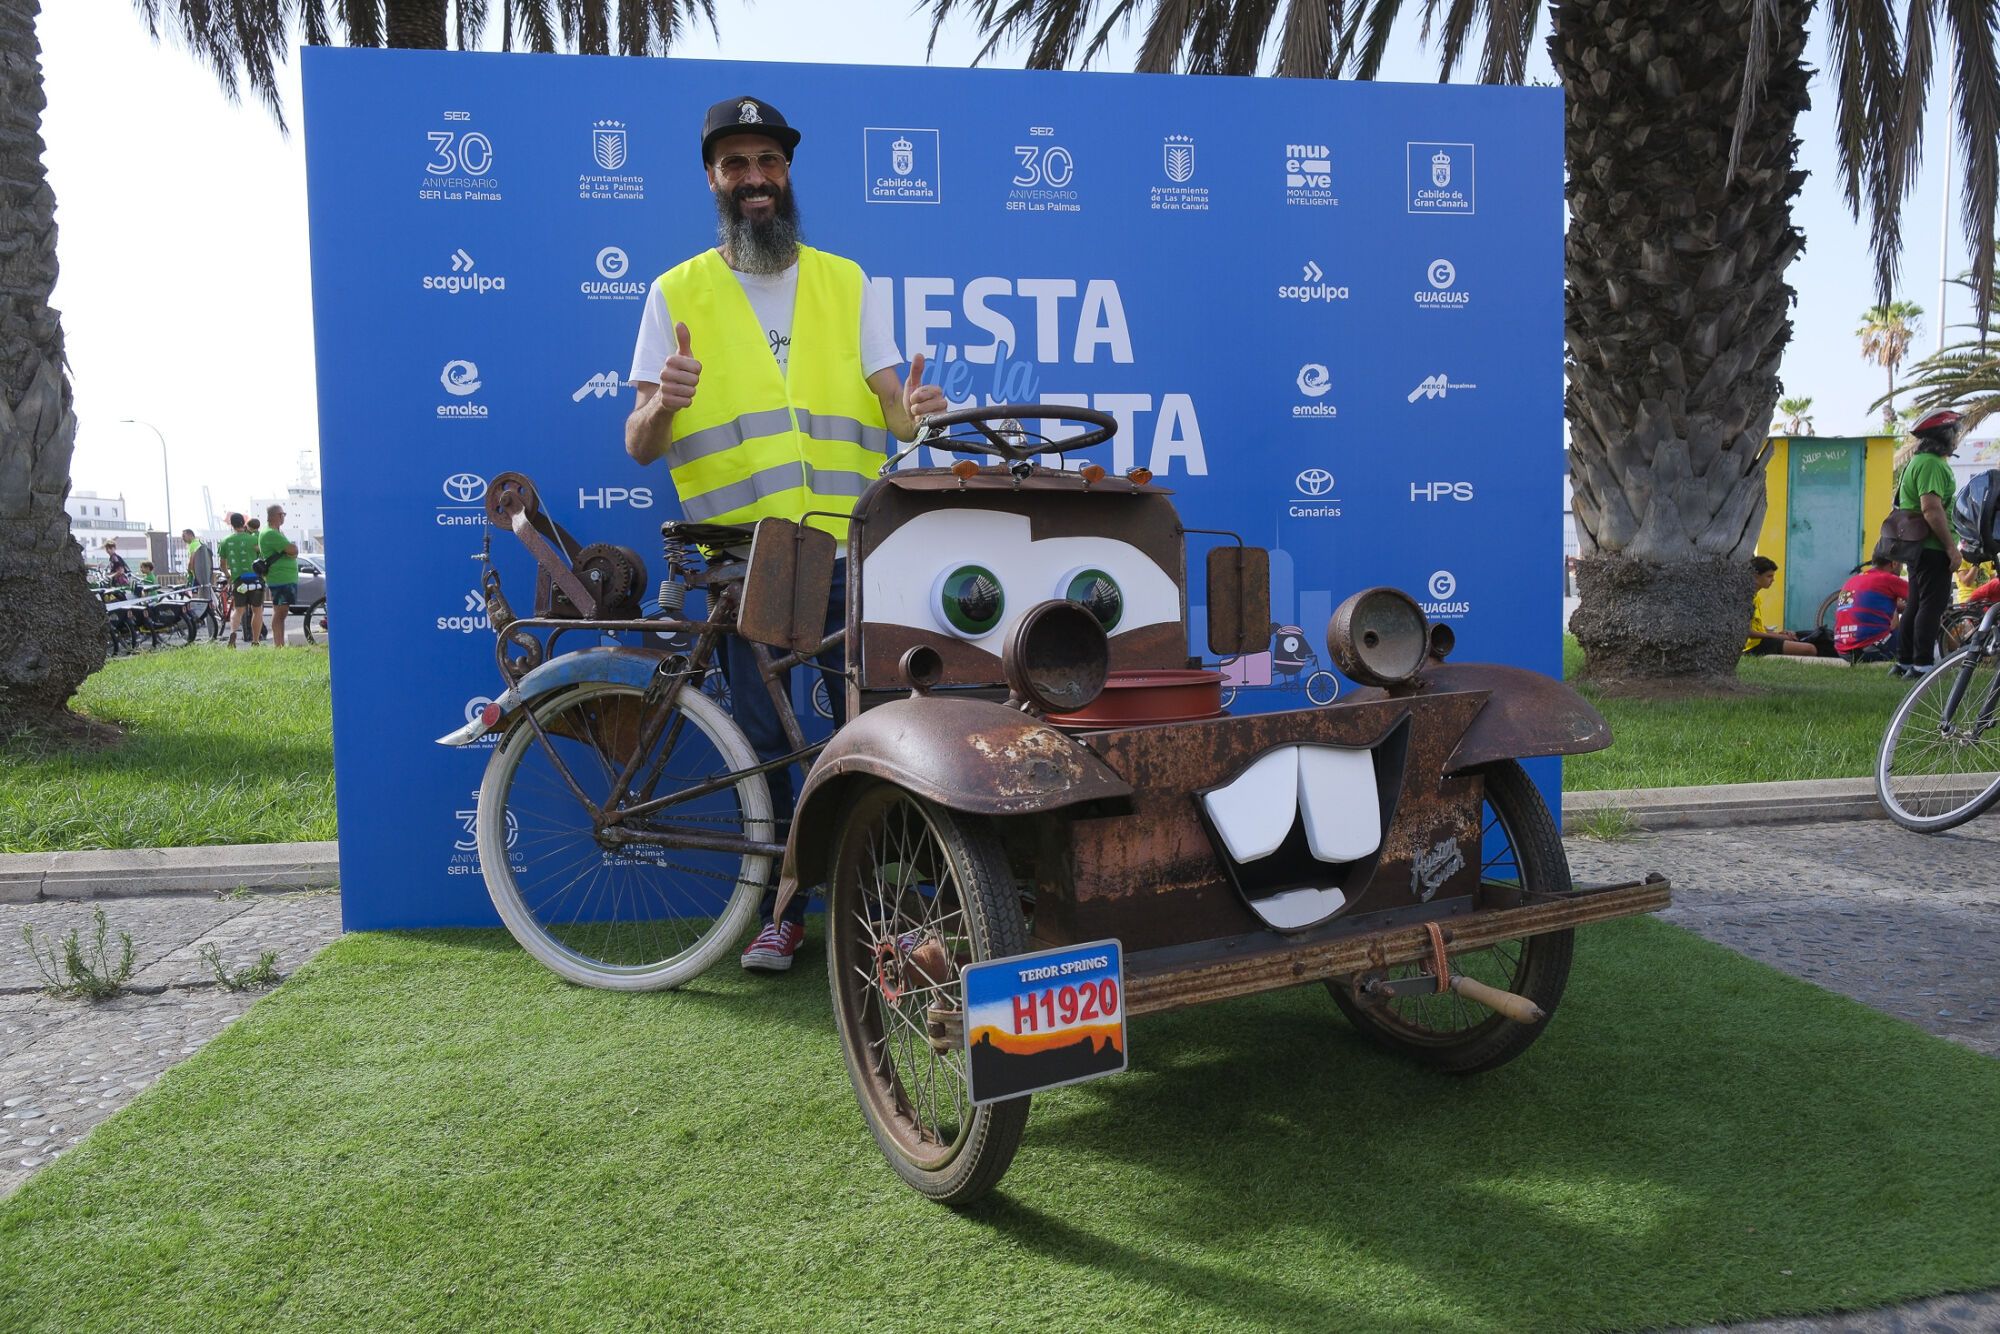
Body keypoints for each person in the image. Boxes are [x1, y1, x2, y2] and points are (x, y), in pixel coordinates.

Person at [624, 95, 945, 973]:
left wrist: (914, 413)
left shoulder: (846, 280)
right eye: (736, 165)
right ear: (712, 179)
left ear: (787, 172)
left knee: (872, 728)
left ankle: (883, 904)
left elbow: (890, 400)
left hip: (848, 549)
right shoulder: (676, 292)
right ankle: (784, 909)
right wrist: (663, 399)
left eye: (767, 162)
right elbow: (639, 443)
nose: (755, 179)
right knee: (765, 741)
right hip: (744, 559)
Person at [1893, 410, 1964, 678]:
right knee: (1931, 606)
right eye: (1955, 432)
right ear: (1945, 436)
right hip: (1933, 546)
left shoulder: (1918, 461)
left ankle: (1904, 662)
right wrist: (1950, 547)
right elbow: (1931, 509)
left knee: (1916, 603)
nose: (1957, 438)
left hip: (1917, 546)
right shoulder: (1933, 464)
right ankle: (1922, 664)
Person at [1744, 556, 1836, 656]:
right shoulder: (1745, 598)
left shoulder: (1755, 596)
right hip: (1754, 647)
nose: (1773, 580)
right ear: (1756, 576)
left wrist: (1779, 634)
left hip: (1761, 641)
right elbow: (1746, 632)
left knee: (1807, 636)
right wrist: (1777, 637)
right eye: (1769, 576)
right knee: (1810, 649)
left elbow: (1756, 628)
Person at [1832, 551, 1908, 662]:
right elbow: (1923, 600)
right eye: (1901, 564)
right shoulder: (1889, 579)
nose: (1901, 569)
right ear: (1894, 563)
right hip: (1869, 650)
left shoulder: (1852, 580)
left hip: (1843, 651)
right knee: (1910, 632)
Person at [258, 504, 300, 648]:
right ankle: (279, 645)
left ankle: (280, 644)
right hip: (280, 577)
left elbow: (292, 551)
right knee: (280, 612)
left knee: (282, 611)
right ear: (277, 515)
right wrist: (292, 551)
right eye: (283, 514)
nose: (284, 517)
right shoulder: (270, 533)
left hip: (284, 577)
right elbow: (292, 549)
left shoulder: (277, 532)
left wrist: (292, 552)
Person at [218, 512, 262, 647]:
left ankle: (233, 633)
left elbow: (222, 564)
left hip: (238, 579)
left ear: (231, 524)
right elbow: (262, 554)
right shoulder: (254, 539)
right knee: (257, 610)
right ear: (243, 522)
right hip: (255, 579)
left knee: (238, 610)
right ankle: (255, 641)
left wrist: (228, 576)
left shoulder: (225, 541)